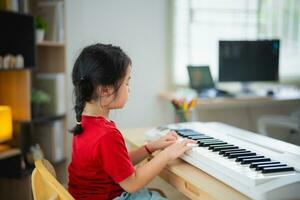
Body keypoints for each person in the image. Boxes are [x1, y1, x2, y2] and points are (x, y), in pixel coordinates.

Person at [68, 43, 195, 200]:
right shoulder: (106, 135)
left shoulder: (85, 123)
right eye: (126, 82)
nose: (129, 89)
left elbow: (118, 164)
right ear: (105, 89)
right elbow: (132, 183)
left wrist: (151, 147)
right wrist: (167, 154)